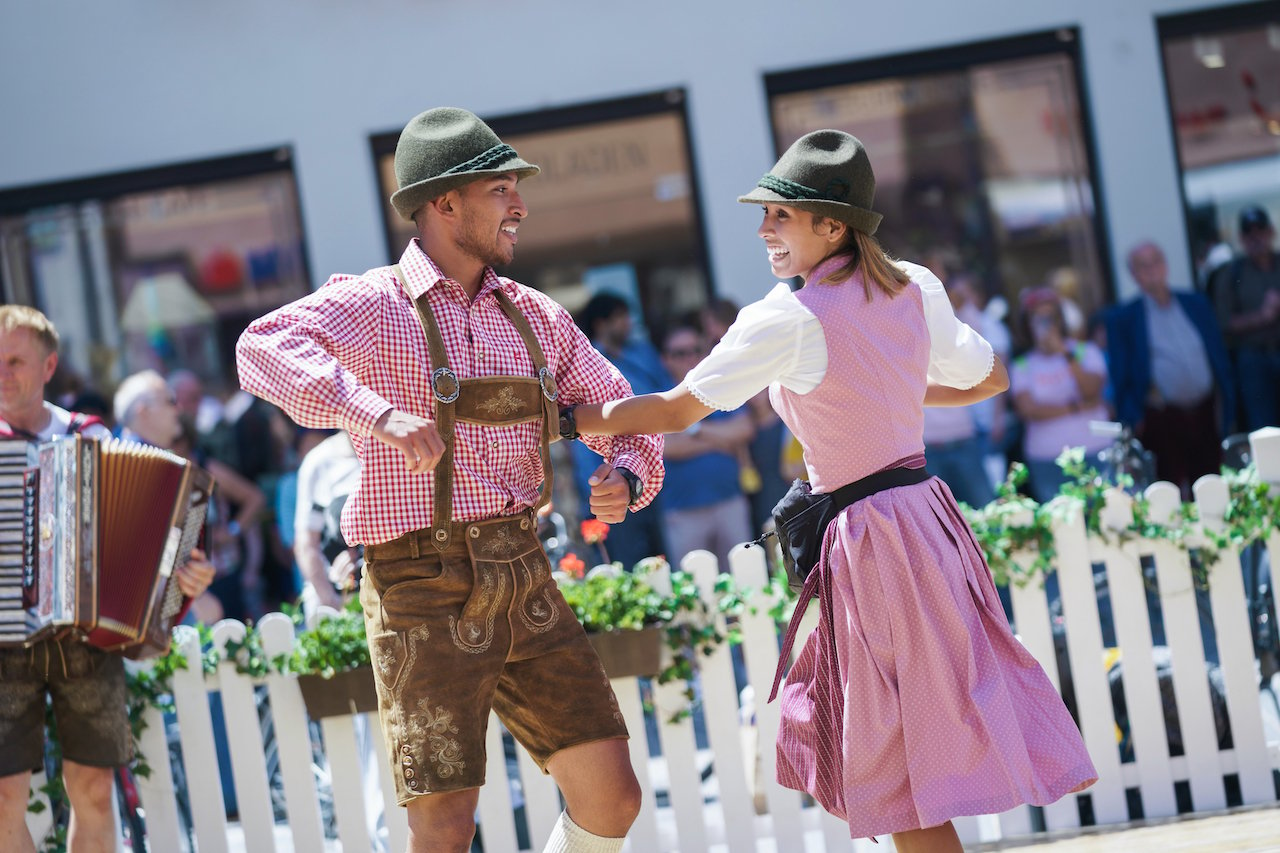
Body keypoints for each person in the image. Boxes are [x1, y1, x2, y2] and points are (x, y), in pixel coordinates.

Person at [566, 130, 1096, 851]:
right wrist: (895, 393)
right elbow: (991, 377)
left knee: (897, 751)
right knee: (913, 736)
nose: (762, 229)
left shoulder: (787, 317)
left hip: (872, 538)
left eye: (779, 215)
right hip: (925, 518)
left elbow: (674, 409)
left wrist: (563, 417)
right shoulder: (913, 285)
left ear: (832, 224)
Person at [235, 107, 664, 853]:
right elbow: (260, 346)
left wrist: (626, 473)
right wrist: (373, 413)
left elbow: (627, 415)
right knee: (443, 825)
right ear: (444, 202)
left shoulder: (536, 316)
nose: (521, 207)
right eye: (502, 190)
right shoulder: (374, 303)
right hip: (419, 582)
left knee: (614, 794)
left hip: (523, 569)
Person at [0, 306, 215, 853]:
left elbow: (158, 542)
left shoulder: (88, 437)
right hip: (4, 643)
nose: (2, 373)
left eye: (15, 361)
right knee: (3, 797)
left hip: (85, 640)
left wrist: (184, 581)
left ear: (49, 366)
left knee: (94, 791)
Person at [1106, 241, 1235, 499]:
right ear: (1134, 274)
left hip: (1205, 411)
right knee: (1169, 490)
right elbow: (1121, 375)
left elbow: (1218, 355)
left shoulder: (1195, 303)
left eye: (1156, 261)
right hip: (1162, 417)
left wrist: (1228, 401)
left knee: (1213, 484)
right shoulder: (1125, 318)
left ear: (1165, 265)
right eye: (1144, 265)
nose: (1152, 270)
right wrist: (1132, 418)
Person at [570, 292, 670, 571]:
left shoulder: (642, 353)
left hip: (649, 473)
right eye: (620, 317)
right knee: (626, 564)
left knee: (660, 560)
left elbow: (666, 400)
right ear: (602, 324)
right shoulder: (584, 364)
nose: (628, 323)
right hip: (608, 481)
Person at [656, 324, 754, 571]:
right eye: (679, 353)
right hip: (683, 511)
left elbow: (744, 429)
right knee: (695, 592)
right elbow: (665, 446)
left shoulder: (721, 384)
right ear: (665, 359)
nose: (690, 357)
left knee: (744, 578)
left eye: (695, 349)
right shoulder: (657, 397)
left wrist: (694, 430)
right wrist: (722, 441)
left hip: (730, 501)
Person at [1009, 287, 1111, 503]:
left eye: (1050, 317)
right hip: (1048, 459)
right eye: (1038, 319)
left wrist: (1065, 354)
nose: (1046, 324)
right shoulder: (1022, 364)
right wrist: (1076, 407)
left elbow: (1092, 390)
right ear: (1027, 324)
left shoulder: (1085, 351)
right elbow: (1029, 410)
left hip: (1095, 450)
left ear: (1061, 320)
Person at [1208, 204, 1280, 431]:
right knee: (1263, 425)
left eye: (1261, 231)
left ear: (1271, 232)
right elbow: (1223, 322)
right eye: (1249, 233)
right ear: (1241, 238)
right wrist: (1262, 316)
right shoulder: (1231, 274)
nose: (1256, 237)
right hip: (1253, 359)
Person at [293, 429, 362, 616]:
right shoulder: (318, 461)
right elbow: (306, 544)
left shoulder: (393, 454)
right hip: (337, 597)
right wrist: (330, 599)